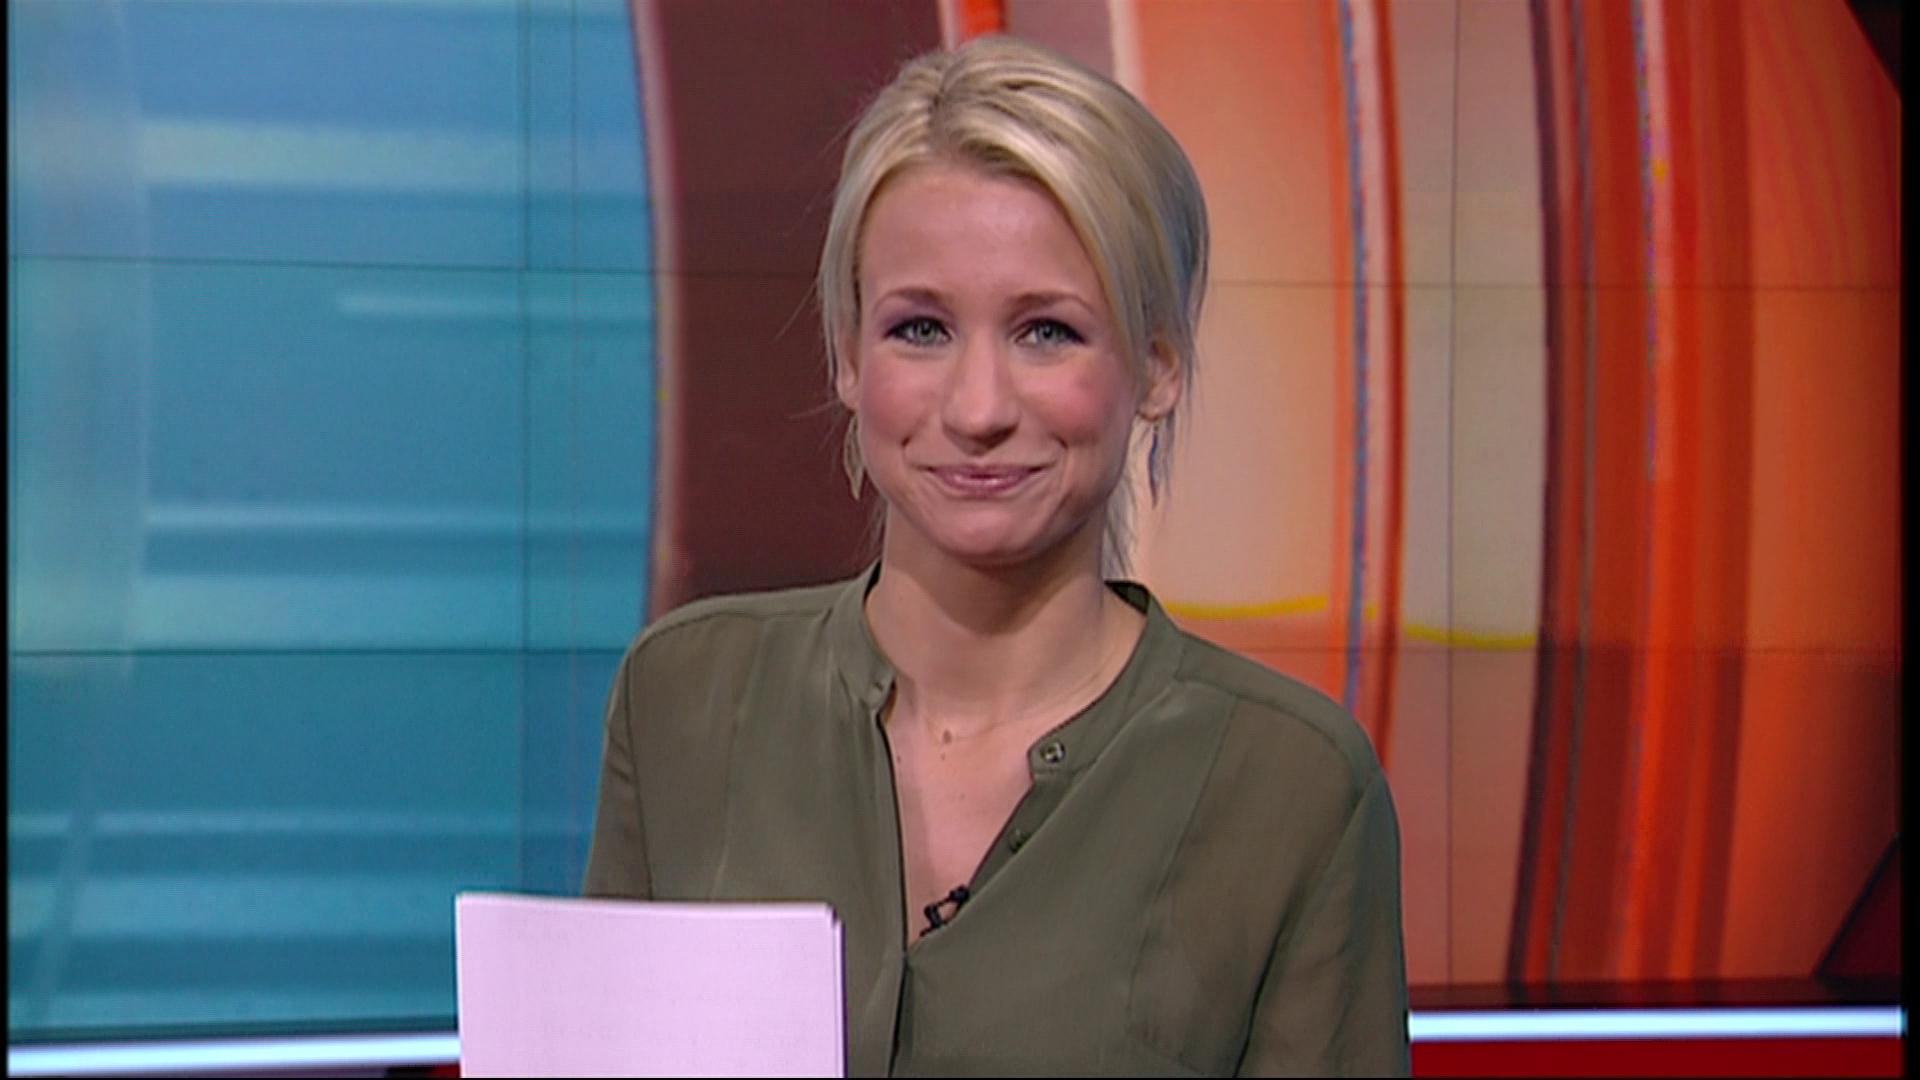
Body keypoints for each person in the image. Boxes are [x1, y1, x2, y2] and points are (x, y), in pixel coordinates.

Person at [585, 34, 1409, 1077]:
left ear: (1156, 366)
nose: (978, 410)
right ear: (847, 355)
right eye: (921, 329)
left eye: (1047, 332)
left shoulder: (1292, 787)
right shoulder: (686, 700)